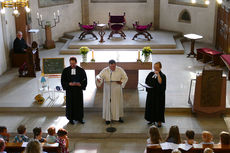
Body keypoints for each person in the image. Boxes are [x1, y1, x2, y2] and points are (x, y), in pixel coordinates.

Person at [96, 59, 128, 124]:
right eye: (111, 66)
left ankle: (118, 117)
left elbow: (125, 77)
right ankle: (108, 118)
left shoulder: (120, 69)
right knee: (108, 103)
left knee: (117, 103)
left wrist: (121, 81)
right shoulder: (105, 70)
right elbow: (99, 76)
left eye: (114, 66)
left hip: (117, 89)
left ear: (115, 65)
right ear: (109, 65)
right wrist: (98, 79)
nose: (113, 68)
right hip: (108, 89)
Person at [61, 57, 87, 125]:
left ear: (76, 62)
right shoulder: (66, 70)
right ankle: (71, 119)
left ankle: (80, 118)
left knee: (79, 104)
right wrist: (68, 84)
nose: (72, 65)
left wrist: (80, 84)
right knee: (70, 105)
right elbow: (63, 80)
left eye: (73, 63)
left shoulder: (81, 70)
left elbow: (84, 79)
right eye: (71, 63)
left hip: (78, 90)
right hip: (70, 91)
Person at [144, 62, 166, 127]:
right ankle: (151, 119)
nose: (155, 68)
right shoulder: (151, 73)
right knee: (150, 106)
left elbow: (160, 82)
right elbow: (147, 81)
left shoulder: (162, 75)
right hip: (151, 94)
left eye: (157, 67)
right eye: (154, 67)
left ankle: (159, 121)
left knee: (158, 107)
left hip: (158, 95)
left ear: (160, 68)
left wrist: (158, 74)